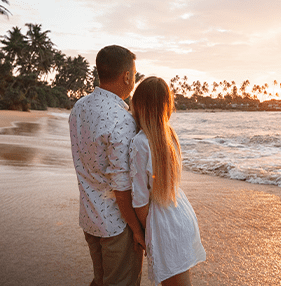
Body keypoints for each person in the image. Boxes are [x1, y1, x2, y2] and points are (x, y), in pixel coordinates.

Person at [69, 45, 144, 286]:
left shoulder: (79, 108)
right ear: (126, 76)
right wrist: (137, 230)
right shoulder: (122, 119)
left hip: (90, 217)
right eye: (134, 72)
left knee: (100, 281)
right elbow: (120, 186)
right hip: (116, 224)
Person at [129, 77, 206, 285]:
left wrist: (145, 231)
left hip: (163, 223)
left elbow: (140, 200)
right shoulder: (170, 136)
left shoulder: (140, 142)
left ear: (138, 104)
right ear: (167, 106)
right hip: (181, 214)